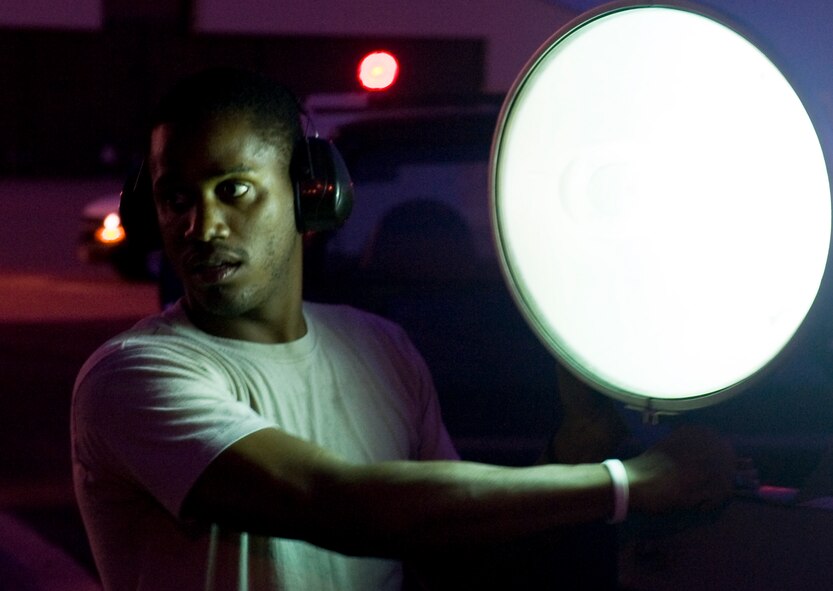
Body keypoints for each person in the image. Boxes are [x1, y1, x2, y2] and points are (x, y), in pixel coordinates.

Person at [71, 67, 736, 591]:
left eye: (233, 189)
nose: (201, 226)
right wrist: (626, 483)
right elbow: (336, 503)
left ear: (310, 191)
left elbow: (461, 560)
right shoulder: (133, 376)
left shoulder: (379, 348)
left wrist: (573, 451)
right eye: (176, 198)